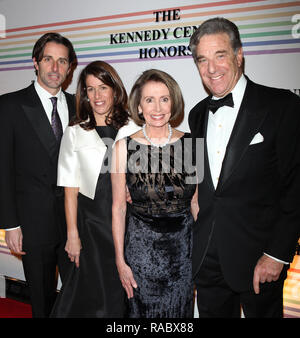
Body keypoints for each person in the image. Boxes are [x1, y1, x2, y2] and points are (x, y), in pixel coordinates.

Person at [188, 17, 300, 318]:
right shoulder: (197, 115)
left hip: (259, 261)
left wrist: (277, 255)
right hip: (207, 261)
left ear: (239, 55)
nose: (212, 69)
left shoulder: (282, 106)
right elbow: (204, 184)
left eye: (220, 55)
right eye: (203, 59)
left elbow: (295, 189)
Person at [50, 60, 140, 318]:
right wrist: (72, 234)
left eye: (102, 87)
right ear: (84, 95)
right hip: (90, 225)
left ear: (114, 90)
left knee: (120, 291)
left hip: (126, 222)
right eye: (90, 89)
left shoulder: (133, 128)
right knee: (91, 293)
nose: (97, 96)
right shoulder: (75, 132)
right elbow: (69, 188)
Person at [0, 32, 77, 317]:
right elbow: (3, 169)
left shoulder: (79, 105)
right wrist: (10, 224)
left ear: (70, 68)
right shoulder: (9, 106)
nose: (55, 68)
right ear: (35, 62)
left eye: (62, 61)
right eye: (48, 59)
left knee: (78, 293)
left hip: (75, 222)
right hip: (33, 224)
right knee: (42, 300)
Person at [111, 69, 199, 318]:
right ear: (139, 107)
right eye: (149, 99)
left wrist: (206, 252)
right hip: (140, 258)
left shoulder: (192, 145)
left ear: (174, 102)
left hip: (183, 257)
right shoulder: (122, 148)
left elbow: (195, 202)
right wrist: (120, 261)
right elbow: (118, 207)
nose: (157, 107)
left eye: (164, 99)